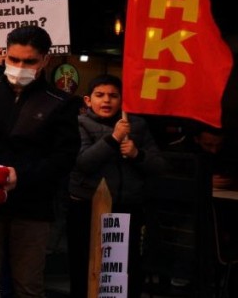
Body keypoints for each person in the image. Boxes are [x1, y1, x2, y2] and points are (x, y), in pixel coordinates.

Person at [0, 25, 80, 298]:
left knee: (28, 286)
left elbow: (64, 156)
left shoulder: (60, 102)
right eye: (14, 59)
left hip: (32, 207)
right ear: (5, 55)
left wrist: (23, 176)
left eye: (29, 61)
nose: (20, 66)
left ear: (45, 60)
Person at [66, 74, 165, 298]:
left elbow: (159, 165)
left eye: (113, 96)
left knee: (125, 270)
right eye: (100, 95)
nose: (107, 101)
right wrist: (113, 138)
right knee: (85, 268)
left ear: (122, 100)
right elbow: (83, 162)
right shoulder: (79, 124)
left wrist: (137, 154)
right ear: (88, 100)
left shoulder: (137, 125)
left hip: (128, 208)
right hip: (87, 209)